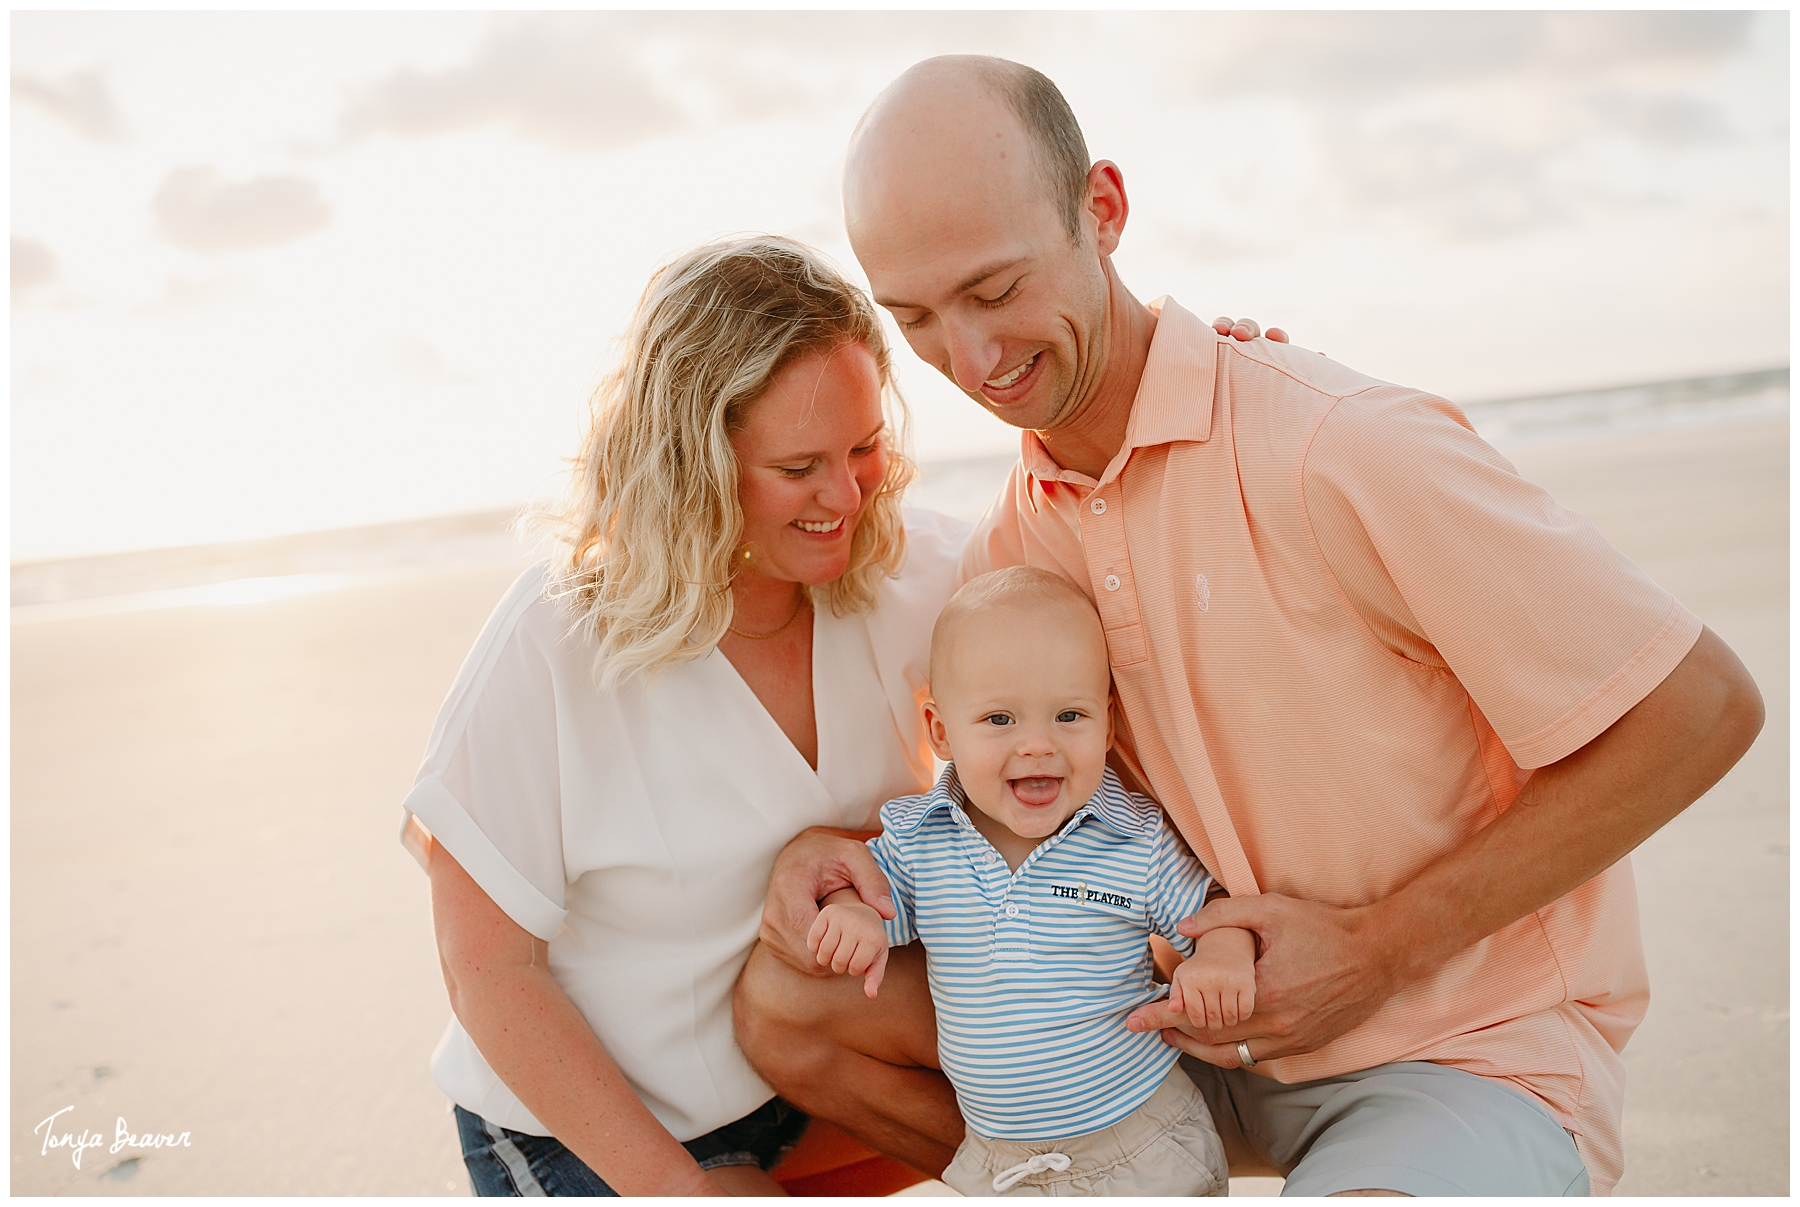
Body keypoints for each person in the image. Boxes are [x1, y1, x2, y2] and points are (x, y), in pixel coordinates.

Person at [735, 57, 1766, 1195]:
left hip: (1457, 1049)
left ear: (1103, 211)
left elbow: (1703, 707)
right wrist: (820, 859)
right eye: (917, 316)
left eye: (996, 290)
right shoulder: (1007, 557)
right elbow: (987, 816)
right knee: (795, 1005)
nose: (970, 362)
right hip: (1172, 1045)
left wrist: (1382, 951)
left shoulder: (1338, 448)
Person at [397, 234, 975, 1195]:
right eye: (800, 468)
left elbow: (1099, 552)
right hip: (591, 1135)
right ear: (696, 463)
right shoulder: (555, 642)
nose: (846, 495)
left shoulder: (916, 576)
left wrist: (1239, 383)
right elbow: (489, 970)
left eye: (866, 448)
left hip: (816, 1084)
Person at [808, 566, 1253, 1195]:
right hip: (1002, 1161)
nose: (1038, 745)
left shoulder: (1131, 840)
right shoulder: (921, 840)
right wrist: (851, 912)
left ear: (1108, 719)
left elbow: (1213, 911)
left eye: (1069, 715)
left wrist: (1221, 959)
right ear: (941, 732)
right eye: (999, 720)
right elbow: (866, 894)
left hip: (1141, 1144)